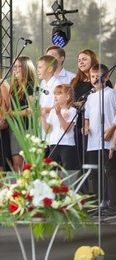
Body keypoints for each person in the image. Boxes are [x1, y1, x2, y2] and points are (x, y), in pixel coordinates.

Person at [84, 64, 116, 213]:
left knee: (109, 170)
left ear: (107, 77)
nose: (95, 79)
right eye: (93, 77)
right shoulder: (90, 97)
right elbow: (87, 116)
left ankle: (112, 203)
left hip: (108, 139)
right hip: (93, 140)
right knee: (96, 172)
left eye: (98, 76)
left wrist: (111, 128)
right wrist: (86, 126)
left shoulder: (111, 93)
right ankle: (99, 201)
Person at [8, 56, 37, 171]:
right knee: (16, 164)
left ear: (27, 68)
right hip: (15, 129)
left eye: (20, 66)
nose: (16, 69)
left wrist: (13, 113)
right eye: (15, 66)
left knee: (28, 164)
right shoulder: (13, 86)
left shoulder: (29, 86)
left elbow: (32, 110)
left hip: (27, 128)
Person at [41, 84, 79, 170]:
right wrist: (42, 117)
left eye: (58, 94)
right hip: (53, 144)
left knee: (67, 170)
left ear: (67, 96)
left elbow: (66, 129)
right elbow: (47, 130)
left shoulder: (72, 110)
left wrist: (59, 115)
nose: (55, 96)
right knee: (52, 171)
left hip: (67, 145)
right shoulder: (53, 111)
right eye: (54, 94)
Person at [37, 55, 61, 143]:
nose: (37, 70)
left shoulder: (57, 85)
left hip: (52, 128)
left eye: (40, 67)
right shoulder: (42, 83)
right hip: (42, 126)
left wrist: (44, 110)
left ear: (50, 69)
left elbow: (60, 107)